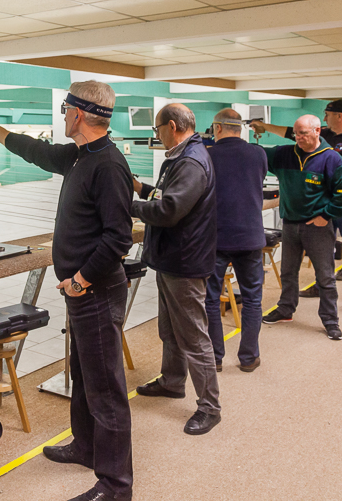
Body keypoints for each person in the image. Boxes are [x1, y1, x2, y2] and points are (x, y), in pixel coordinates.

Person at [0, 81, 134, 501]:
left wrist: (81, 281)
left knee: (105, 387)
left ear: (77, 114)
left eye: (64, 110)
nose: (62, 116)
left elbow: (119, 236)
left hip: (94, 291)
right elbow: (33, 149)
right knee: (83, 373)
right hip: (83, 293)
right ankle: (86, 445)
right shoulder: (80, 156)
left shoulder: (108, 164)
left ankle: (116, 486)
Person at [131, 103, 222, 435]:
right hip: (171, 259)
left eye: (157, 130)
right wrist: (140, 189)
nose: (157, 136)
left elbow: (169, 209)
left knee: (194, 337)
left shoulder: (191, 161)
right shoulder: (179, 158)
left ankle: (210, 407)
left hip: (184, 263)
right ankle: (172, 381)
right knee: (170, 329)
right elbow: (162, 195)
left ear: (171, 126)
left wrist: (129, 205)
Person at [252, 99, 342, 314]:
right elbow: (292, 133)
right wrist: (264, 127)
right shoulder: (324, 134)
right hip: (320, 204)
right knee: (323, 253)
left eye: (327, 113)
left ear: (338, 115)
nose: (325, 115)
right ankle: (320, 286)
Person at [258, 115, 342, 340]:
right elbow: (256, 153)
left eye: (304, 133)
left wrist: (325, 216)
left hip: (317, 226)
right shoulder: (284, 154)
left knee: (325, 277)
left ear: (318, 131)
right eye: (297, 133)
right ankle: (285, 309)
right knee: (288, 272)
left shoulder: (331, 159)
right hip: (290, 224)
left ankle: (330, 320)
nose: (299, 138)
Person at [201, 108, 268, 373]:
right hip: (250, 236)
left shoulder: (207, 154)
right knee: (253, 299)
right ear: (240, 129)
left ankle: (215, 357)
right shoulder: (258, 153)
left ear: (217, 128)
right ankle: (249, 357)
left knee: (210, 299)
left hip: (215, 238)